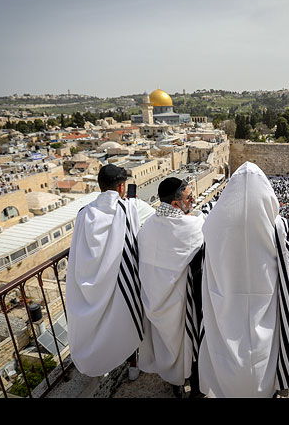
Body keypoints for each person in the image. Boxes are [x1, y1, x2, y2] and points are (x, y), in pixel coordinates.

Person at [198, 162, 289, 398]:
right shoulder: (278, 225)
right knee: (262, 351)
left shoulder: (212, 224)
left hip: (224, 299)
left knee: (225, 347)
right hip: (265, 301)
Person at [66, 164, 154, 377]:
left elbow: (79, 250)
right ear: (122, 187)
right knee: (128, 320)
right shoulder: (129, 208)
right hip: (121, 280)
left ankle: (103, 362)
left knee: (100, 326)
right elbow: (153, 220)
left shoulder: (84, 213)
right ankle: (133, 363)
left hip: (94, 283)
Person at [137, 177, 206, 398]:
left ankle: (173, 379)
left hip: (154, 298)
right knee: (189, 343)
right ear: (176, 204)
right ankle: (193, 385)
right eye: (189, 196)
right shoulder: (191, 226)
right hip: (181, 301)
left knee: (165, 343)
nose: (193, 198)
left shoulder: (148, 224)